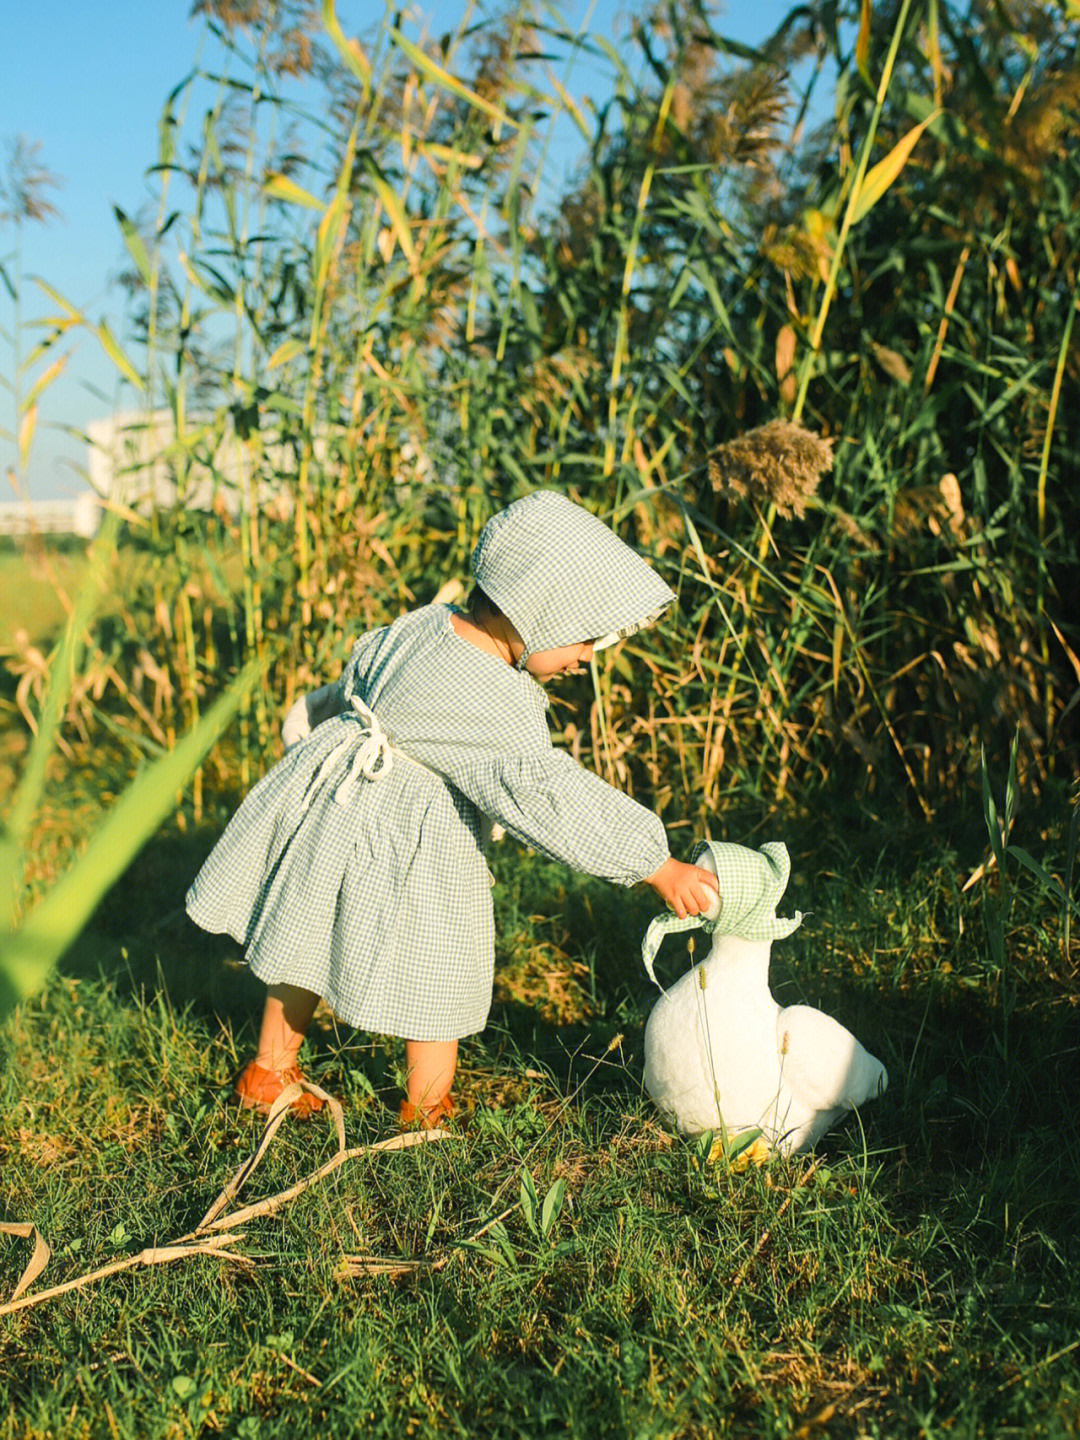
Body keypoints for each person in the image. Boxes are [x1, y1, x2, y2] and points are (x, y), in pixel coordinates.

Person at [186, 490, 720, 1125]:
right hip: (411, 851)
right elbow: (547, 795)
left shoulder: (424, 623)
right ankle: (426, 1107)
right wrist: (654, 862)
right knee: (437, 969)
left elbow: (360, 683)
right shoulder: (496, 697)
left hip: (335, 814)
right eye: (583, 639)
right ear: (539, 613)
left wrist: (314, 718)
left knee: (304, 940)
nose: (587, 658)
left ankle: (267, 1073)